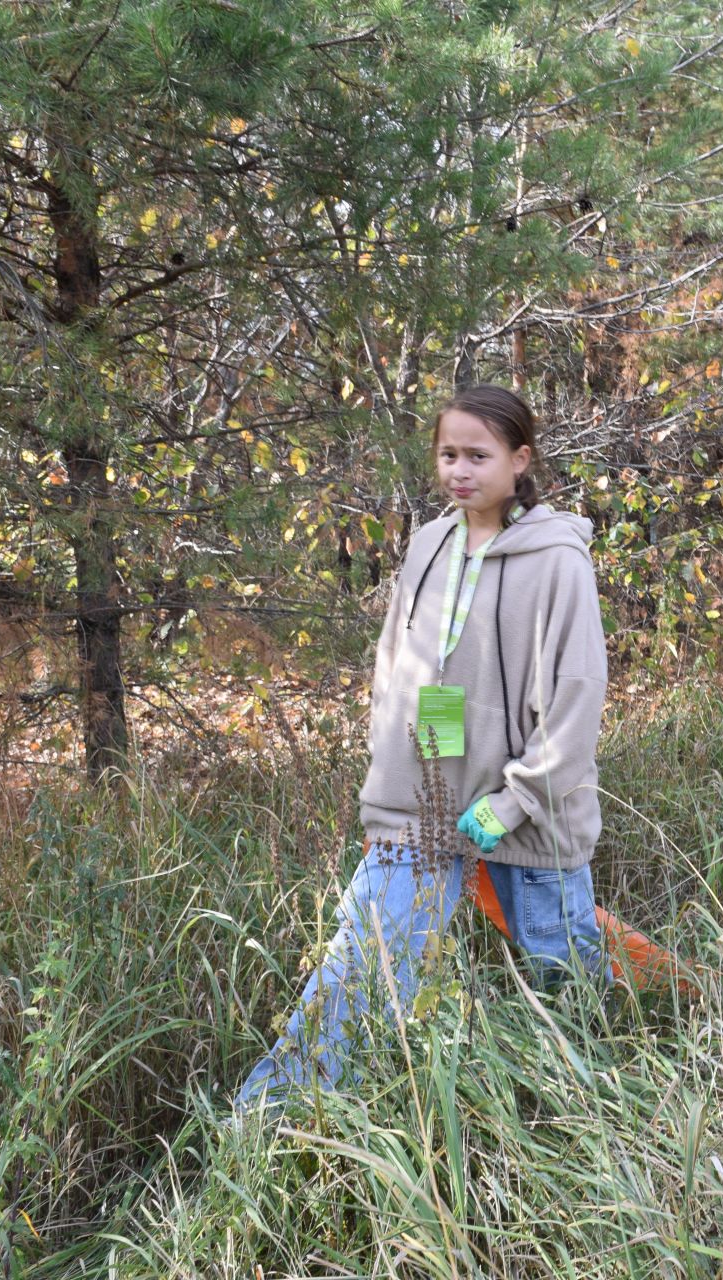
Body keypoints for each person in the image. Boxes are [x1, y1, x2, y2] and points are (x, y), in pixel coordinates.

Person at [238, 385, 609, 1109]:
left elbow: (575, 694)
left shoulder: (557, 559)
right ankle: (274, 1120)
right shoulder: (430, 544)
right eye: (448, 454)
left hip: (532, 814)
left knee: (564, 987)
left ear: (519, 458)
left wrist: (517, 798)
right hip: (428, 805)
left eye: (479, 455)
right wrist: (413, 776)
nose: (460, 471)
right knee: (365, 962)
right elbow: (412, 668)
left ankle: (577, 1121)